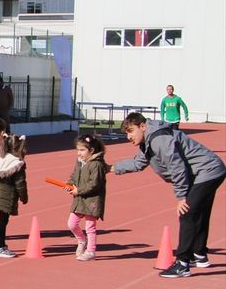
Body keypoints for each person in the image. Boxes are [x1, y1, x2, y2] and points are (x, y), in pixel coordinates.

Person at [111, 113, 225, 278]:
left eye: (131, 131)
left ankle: (182, 264)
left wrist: (181, 197)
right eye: (126, 133)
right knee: (198, 212)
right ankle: (199, 255)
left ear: (143, 126)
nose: (128, 137)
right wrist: (110, 168)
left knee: (187, 213)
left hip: (207, 171)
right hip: (208, 171)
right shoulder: (149, 141)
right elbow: (138, 163)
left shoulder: (159, 140)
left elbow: (177, 167)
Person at [65, 133, 107, 262]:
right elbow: (74, 175)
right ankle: (81, 239)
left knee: (90, 227)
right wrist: (70, 184)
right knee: (71, 224)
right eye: (77, 149)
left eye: (82, 150)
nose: (79, 153)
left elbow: (94, 184)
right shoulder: (80, 162)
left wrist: (79, 190)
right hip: (79, 199)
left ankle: (91, 251)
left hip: (92, 200)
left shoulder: (97, 165)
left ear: (92, 150)